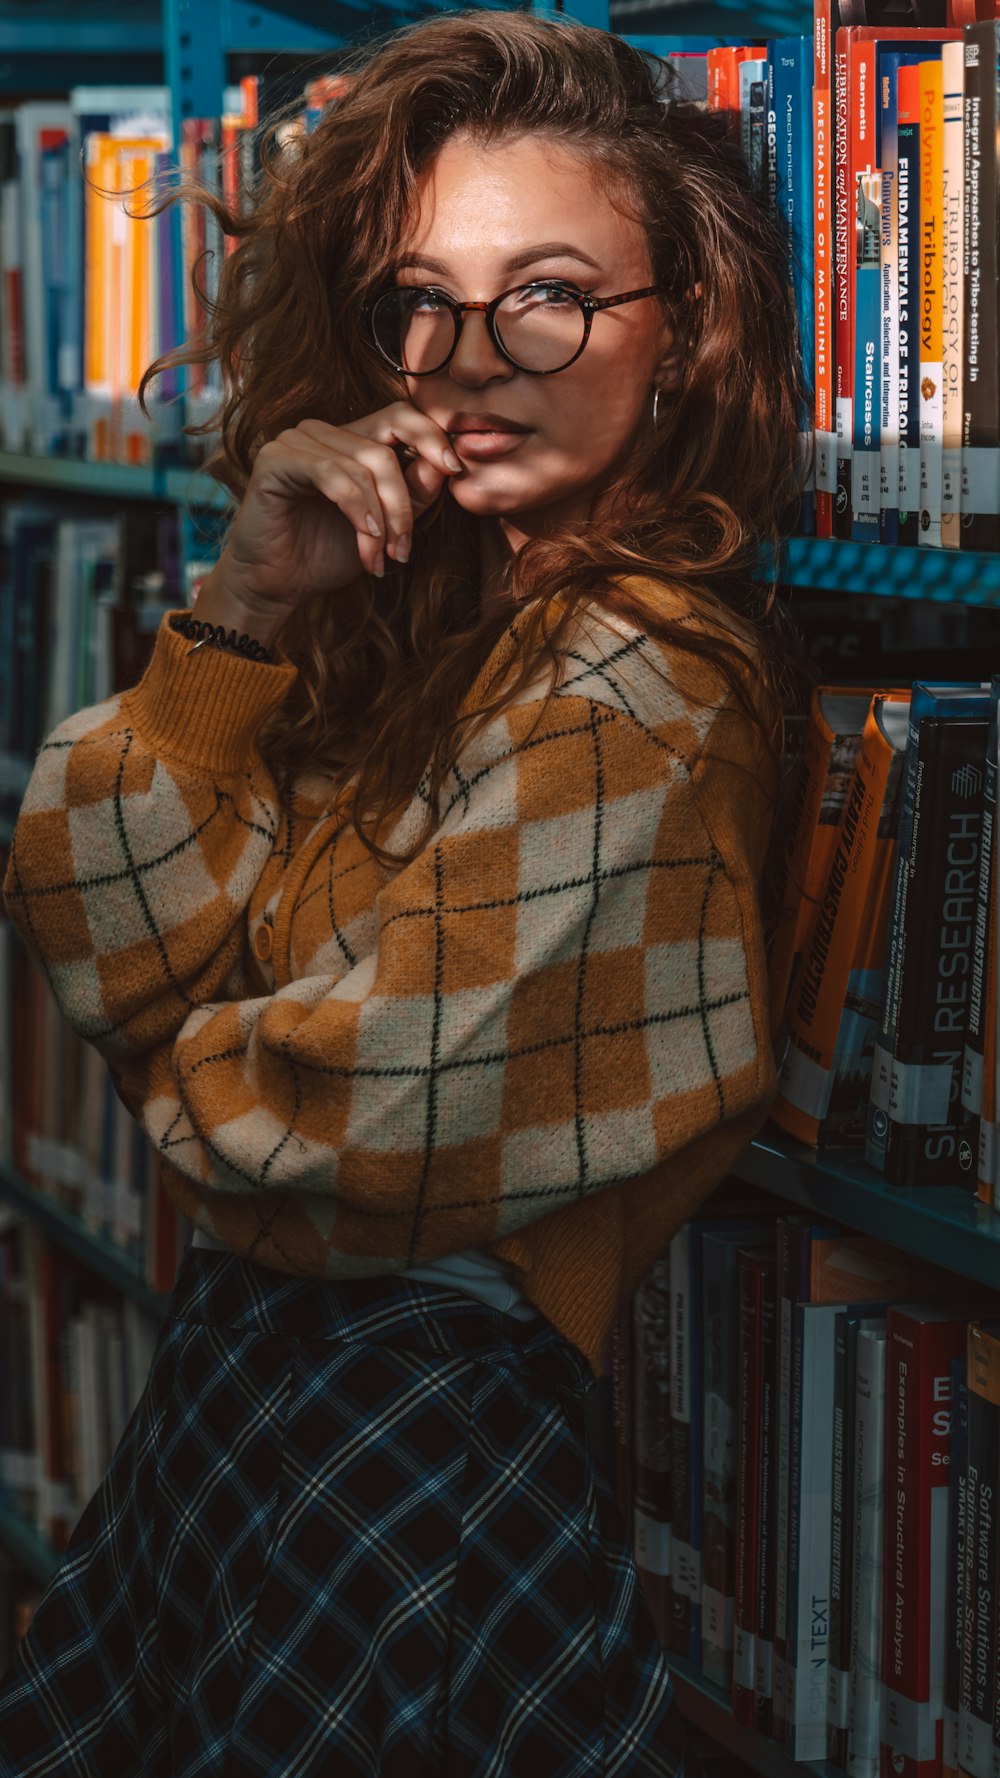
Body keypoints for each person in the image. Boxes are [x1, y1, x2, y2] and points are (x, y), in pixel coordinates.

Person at [0, 8, 807, 1773]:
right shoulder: (432, 620)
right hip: (260, 1390)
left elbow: (350, 1132)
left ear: (687, 332)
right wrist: (245, 608)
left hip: (418, 1418)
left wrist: (178, 1062)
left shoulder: (635, 686)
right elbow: (72, 900)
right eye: (418, 303)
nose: (472, 357)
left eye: (551, 295)